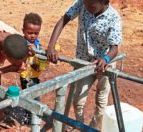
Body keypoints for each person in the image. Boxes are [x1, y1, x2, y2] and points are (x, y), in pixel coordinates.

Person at [46, 0, 122, 129]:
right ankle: (79, 124)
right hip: (84, 61)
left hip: (103, 64)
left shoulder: (114, 18)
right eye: (85, 4)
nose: (86, 7)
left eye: (91, 5)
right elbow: (63, 20)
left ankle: (94, 127)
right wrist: (51, 46)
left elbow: (114, 48)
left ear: (105, 2)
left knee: (101, 100)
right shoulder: (82, 3)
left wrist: (105, 59)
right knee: (77, 100)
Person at [20, 12, 43, 90]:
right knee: (31, 98)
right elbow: (20, 58)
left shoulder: (37, 43)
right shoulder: (23, 43)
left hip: (35, 74)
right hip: (27, 76)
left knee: (33, 94)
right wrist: (28, 54)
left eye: (36, 33)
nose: (33, 36)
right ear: (23, 31)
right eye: (30, 33)